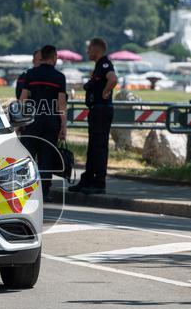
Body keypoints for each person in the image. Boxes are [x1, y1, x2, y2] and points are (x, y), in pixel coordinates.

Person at [19, 45, 67, 200]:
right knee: (47, 156)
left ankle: (25, 190)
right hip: (51, 121)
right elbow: (61, 105)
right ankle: (44, 192)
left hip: (32, 120)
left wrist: (20, 120)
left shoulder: (31, 74)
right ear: (54, 58)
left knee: (28, 156)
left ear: (42, 57)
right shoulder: (59, 77)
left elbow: (23, 99)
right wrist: (63, 126)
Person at [71, 37, 118, 195]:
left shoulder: (105, 64)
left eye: (89, 48)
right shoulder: (99, 66)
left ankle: (99, 182)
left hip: (101, 110)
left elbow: (113, 79)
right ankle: (88, 180)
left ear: (96, 49)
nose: (87, 51)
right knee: (93, 148)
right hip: (97, 110)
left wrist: (105, 91)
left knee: (98, 147)